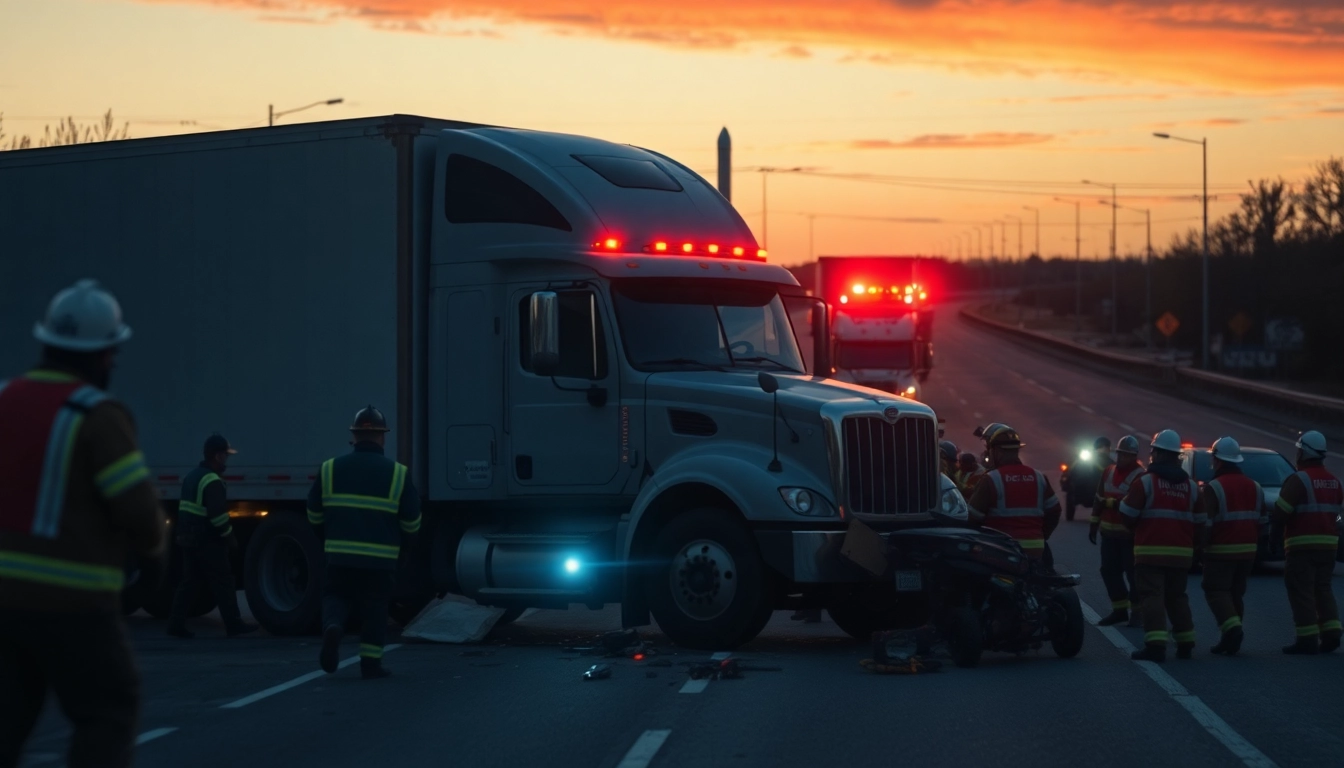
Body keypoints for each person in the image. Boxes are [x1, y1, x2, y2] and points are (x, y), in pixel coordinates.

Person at [0, 280, 165, 768]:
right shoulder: (97, 415)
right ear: (103, 354)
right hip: (73, 608)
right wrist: (155, 564)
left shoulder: (4, 399)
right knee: (109, 709)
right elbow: (138, 512)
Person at [309, 405, 421, 679]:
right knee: (376, 608)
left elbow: (313, 513)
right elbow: (412, 522)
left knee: (336, 596)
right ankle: (370, 664)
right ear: (382, 437)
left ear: (354, 436)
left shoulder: (329, 469)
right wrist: (403, 549)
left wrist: (329, 538)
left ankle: (333, 626)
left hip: (340, 556)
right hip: (380, 561)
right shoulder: (398, 473)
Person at [1120, 429, 1203, 662]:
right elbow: (1201, 523)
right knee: (1177, 597)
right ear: (1176, 456)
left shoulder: (1145, 483)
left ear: (1156, 453)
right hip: (1181, 556)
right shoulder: (1192, 487)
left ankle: (1155, 646)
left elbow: (1127, 515)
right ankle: (1186, 642)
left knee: (1152, 597)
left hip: (1150, 553)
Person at [166, 434, 258, 638]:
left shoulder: (192, 476)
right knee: (224, 581)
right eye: (225, 454)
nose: (226, 459)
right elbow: (217, 516)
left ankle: (175, 624)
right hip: (207, 540)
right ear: (217, 456)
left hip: (188, 537)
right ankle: (234, 625)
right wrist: (230, 537)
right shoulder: (212, 481)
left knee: (189, 582)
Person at [1272, 430, 1341, 655]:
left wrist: (1274, 536)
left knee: (1301, 591)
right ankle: (1331, 632)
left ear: (1303, 452)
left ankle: (1307, 638)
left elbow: (1281, 513)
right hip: (1329, 547)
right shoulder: (1334, 482)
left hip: (1301, 547)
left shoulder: (1298, 480)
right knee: (1323, 589)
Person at [1199, 437, 1264, 656]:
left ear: (1217, 460)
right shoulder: (1255, 487)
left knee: (1215, 590)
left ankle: (1232, 630)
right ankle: (1229, 639)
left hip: (1220, 551)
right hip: (1248, 552)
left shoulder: (1214, 488)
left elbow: (1206, 525)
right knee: (1236, 594)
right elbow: (1262, 521)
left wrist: (1199, 550)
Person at [966, 424, 1062, 566]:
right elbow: (1055, 511)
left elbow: (973, 518)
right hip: (1036, 549)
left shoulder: (991, 480)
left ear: (996, 452)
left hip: (1000, 550)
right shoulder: (1038, 477)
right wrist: (1041, 535)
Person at [1089, 435, 1144, 627]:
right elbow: (1098, 498)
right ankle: (1119, 610)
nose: (1121, 458)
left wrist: (1110, 503)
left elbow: (1136, 504)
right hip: (1109, 534)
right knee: (1109, 571)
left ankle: (1138, 612)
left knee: (1133, 574)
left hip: (1130, 536)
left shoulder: (1140, 476)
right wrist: (1093, 524)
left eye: (1126, 455)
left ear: (1134, 456)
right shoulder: (1108, 472)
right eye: (1119, 454)